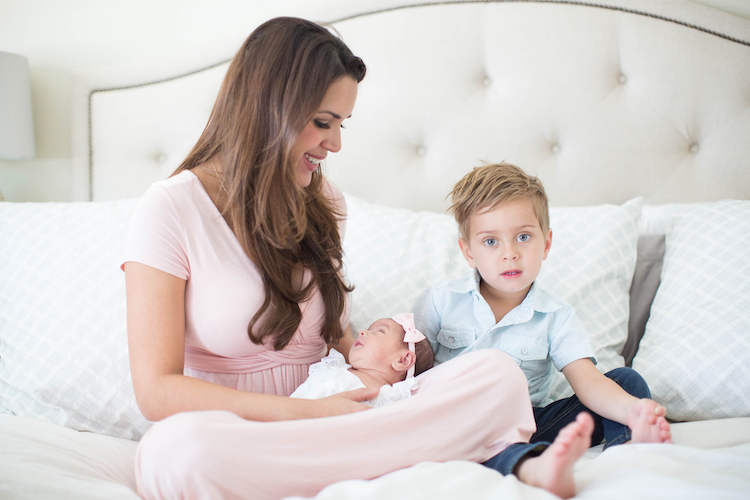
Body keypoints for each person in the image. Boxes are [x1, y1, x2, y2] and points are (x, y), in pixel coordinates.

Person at [123, 18, 537, 500]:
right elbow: (156, 391)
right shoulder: (170, 207)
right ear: (267, 107)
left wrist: (388, 380)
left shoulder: (324, 200)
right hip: (244, 434)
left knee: (497, 375)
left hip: (337, 420)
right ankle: (380, 465)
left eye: (341, 124)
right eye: (323, 122)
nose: (335, 144)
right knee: (176, 453)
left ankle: (342, 466)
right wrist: (304, 414)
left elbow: (336, 334)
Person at [413, 162, 673, 498]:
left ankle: (628, 451)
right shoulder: (440, 300)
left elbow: (588, 381)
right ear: (469, 252)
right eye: (491, 241)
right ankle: (535, 468)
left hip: (527, 424)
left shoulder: (556, 316)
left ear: (546, 244)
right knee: (485, 445)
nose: (510, 253)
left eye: (523, 237)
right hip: (456, 422)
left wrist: (632, 410)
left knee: (626, 382)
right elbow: (409, 367)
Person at [291, 313, 434, 406]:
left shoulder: (386, 398)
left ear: (403, 360)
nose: (362, 332)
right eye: (368, 329)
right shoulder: (335, 366)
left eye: (380, 331)